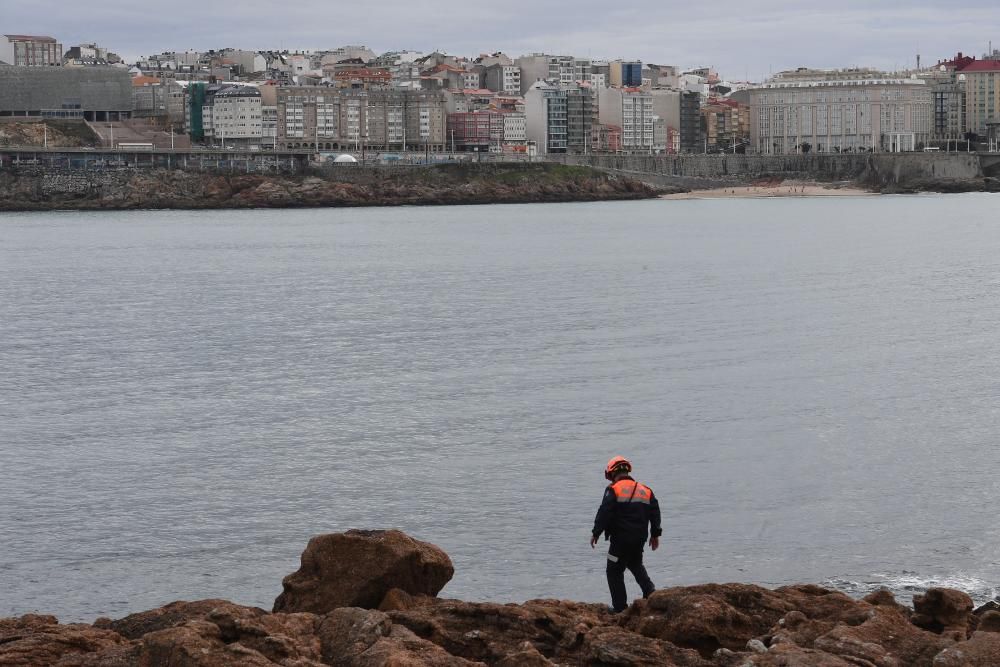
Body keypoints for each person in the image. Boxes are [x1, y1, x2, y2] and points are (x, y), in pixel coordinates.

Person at [590, 456, 661, 613]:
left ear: (611, 474)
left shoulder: (613, 490)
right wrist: (655, 534)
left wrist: (596, 533)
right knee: (635, 563)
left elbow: (604, 512)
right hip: (640, 539)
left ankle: (620, 608)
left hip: (620, 541)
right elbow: (655, 512)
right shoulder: (646, 490)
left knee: (613, 570)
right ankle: (650, 592)